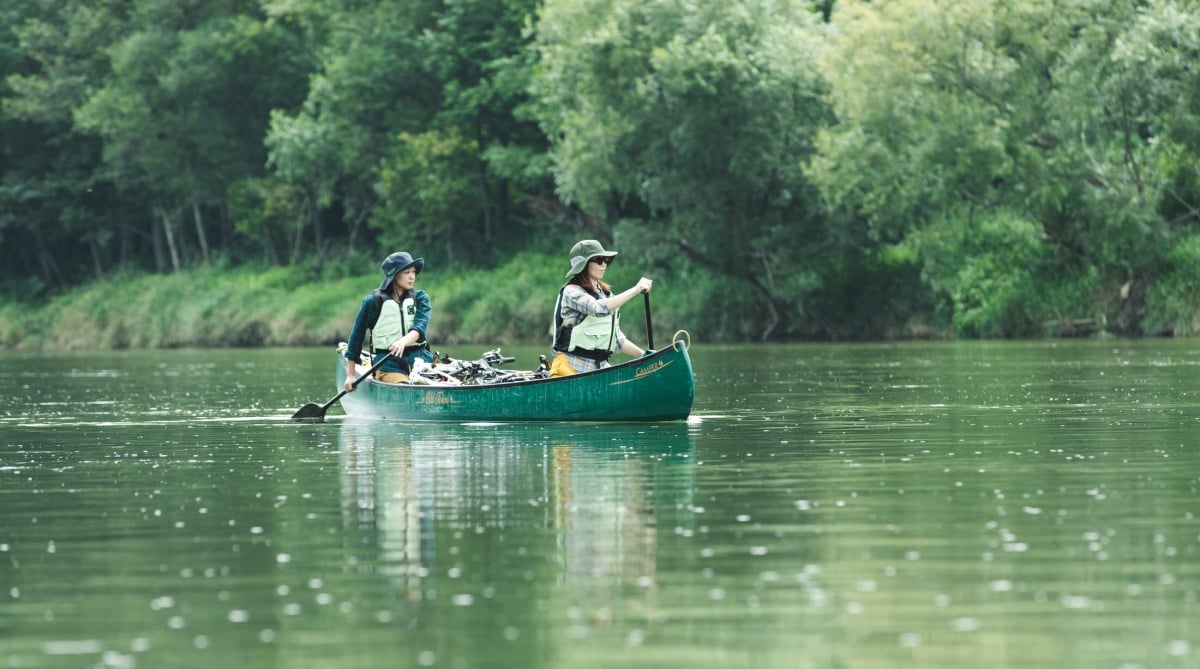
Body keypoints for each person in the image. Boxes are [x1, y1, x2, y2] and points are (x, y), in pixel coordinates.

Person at [550, 239, 653, 377]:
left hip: (599, 368)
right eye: (599, 260)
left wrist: (645, 356)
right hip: (570, 369)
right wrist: (635, 290)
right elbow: (598, 309)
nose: (604, 264)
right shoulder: (571, 292)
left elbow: (617, 340)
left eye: (606, 260)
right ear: (584, 265)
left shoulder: (606, 295)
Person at [343, 251, 434, 391]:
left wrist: (403, 341)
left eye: (413, 272)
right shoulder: (372, 302)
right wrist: (350, 375)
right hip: (388, 363)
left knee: (433, 384)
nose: (412, 277)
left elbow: (420, 327)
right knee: (405, 387)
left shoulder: (421, 298)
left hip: (420, 360)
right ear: (395, 275)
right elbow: (356, 338)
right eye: (406, 272)